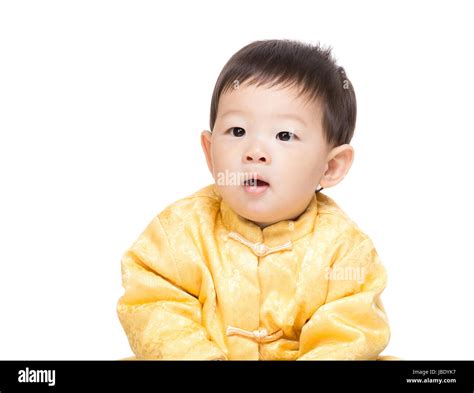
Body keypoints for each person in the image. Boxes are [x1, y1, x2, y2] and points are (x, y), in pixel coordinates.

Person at [117, 39, 391, 360]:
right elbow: (155, 305)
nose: (255, 152)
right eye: (237, 131)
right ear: (209, 153)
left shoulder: (344, 249)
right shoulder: (179, 232)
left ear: (330, 167)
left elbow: (349, 330)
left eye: (284, 135)